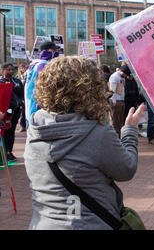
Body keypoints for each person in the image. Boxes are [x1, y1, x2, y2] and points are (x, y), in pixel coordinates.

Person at [23, 56, 145, 229]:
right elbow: (126, 170)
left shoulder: (35, 128)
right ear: (90, 88)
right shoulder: (98, 133)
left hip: (43, 223)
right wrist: (130, 131)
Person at [25, 41, 60, 124]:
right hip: (39, 102)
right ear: (47, 51)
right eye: (53, 50)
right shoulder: (43, 65)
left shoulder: (35, 64)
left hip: (33, 100)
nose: (56, 52)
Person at [0, 63, 24, 162]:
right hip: (3, 113)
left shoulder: (17, 82)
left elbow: (21, 95)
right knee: (4, 132)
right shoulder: (0, 82)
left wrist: (20, 105)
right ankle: (3, 153)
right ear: (3, 70)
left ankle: (9, 151)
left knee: (11, 132)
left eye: (12, 70)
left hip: (15, 111)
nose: (11, 71)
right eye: (8, 70)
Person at [108, 65, 126, 136]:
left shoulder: (120, 77)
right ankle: (116, 136)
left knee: (120, 120)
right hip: (116, 101)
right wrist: (114, 101)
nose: (126, 76)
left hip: (121, 100)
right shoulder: (114, 76)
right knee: (115, 121)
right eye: (125, 74)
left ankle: (119, 135)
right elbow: (112, 90)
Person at [17, 63, 28, 132]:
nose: (23, 69)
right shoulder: (18, 76)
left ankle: (26, 125)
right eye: (21, 68)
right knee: (22, 111)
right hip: (21, 96)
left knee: (26, 110)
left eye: (24, 67)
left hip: (27, 95)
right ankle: (22, 126)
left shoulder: (27, 75)